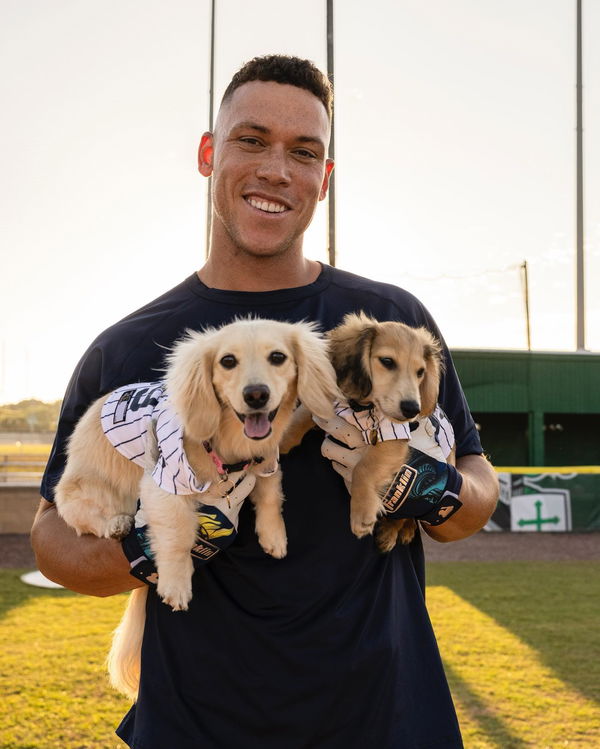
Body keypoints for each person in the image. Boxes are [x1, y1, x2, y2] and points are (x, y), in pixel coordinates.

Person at [31, 54, 498, 748]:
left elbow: (477, 491)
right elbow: (52, 537)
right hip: (197, 723)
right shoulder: (128, 347)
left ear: (324, 179)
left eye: (303, 152)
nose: (277, 169)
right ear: (208, 154)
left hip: (386, 714)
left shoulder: (388, 321)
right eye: (251, 141)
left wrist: (426, 487)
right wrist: (157, 542)